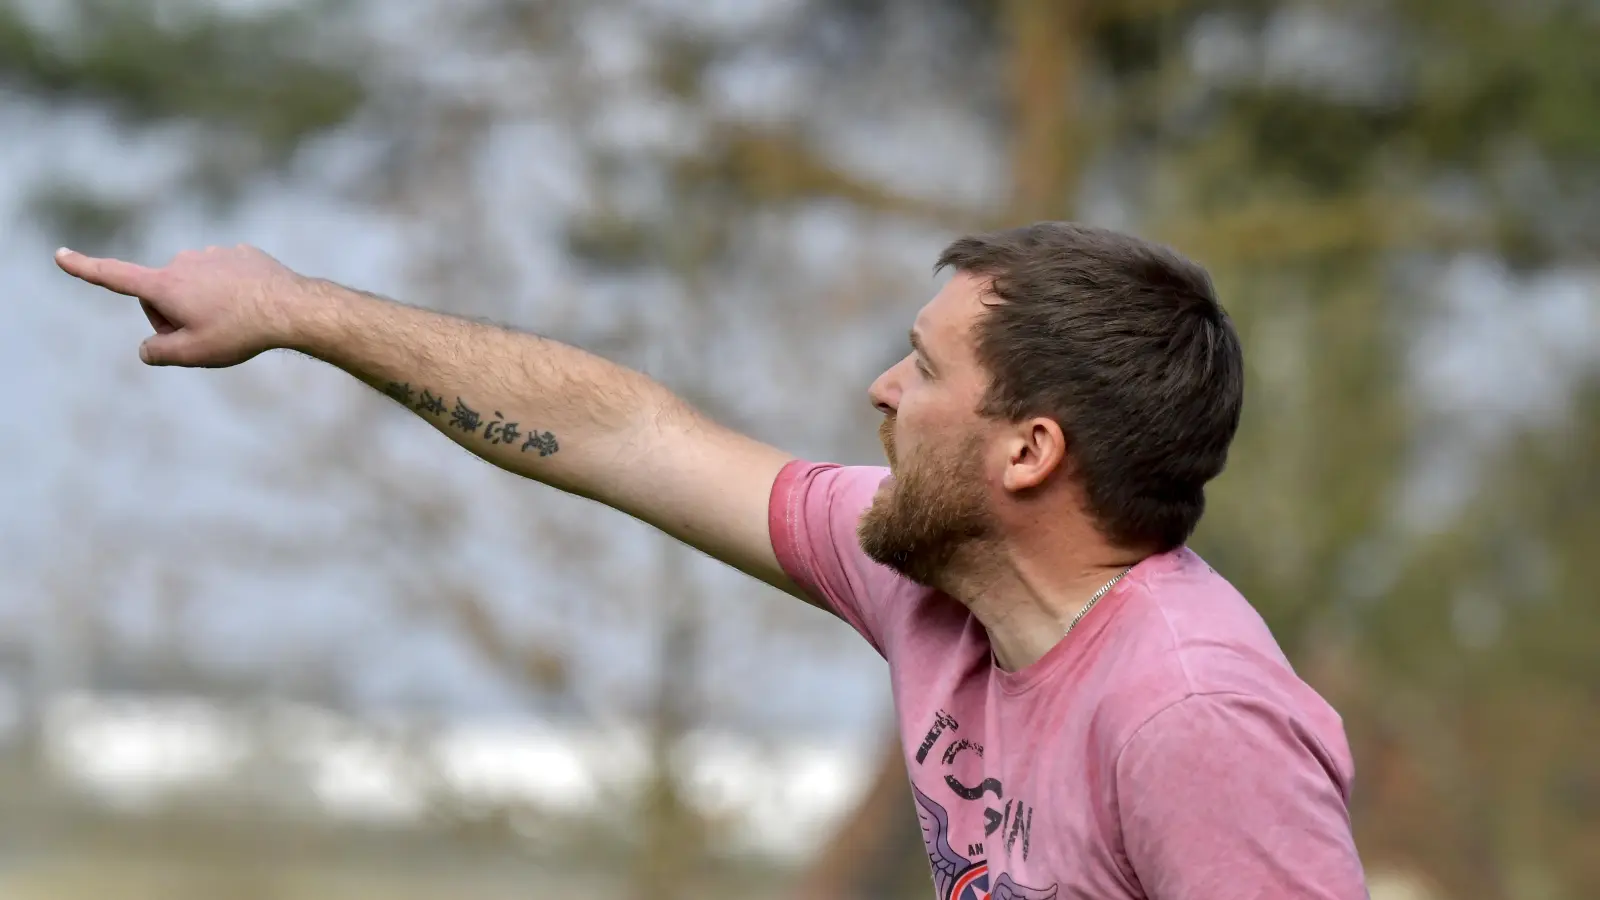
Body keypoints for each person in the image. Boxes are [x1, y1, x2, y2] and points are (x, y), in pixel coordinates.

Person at [55, 222, 1369, 899]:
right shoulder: (926, 578)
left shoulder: (1192, 719)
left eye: (922, 367)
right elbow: (629, 434)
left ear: (1027, 452)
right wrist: (299, 310)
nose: (880, 389)